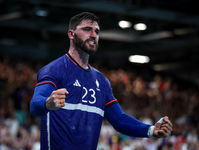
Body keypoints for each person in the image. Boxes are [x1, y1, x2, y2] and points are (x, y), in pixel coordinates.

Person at [30, 12, 173, 150]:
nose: (93, 35)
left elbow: (119, 120)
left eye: (97, 31)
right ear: (71, 34)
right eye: (87, 29)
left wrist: (150, 130)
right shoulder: (54, 69)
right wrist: (47, 103)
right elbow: (35, 105)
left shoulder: (102, 81)